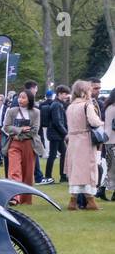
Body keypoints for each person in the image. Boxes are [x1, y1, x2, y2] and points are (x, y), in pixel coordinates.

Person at [62, 79, 102, 210]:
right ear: (84, 91)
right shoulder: (87, 105)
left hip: (73, 140)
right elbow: (94, 122)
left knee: (75, 171)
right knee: (88, 170)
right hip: (85, 139)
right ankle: (90, 201)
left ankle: (73, 201)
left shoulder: (70, 106)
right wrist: (102, 123)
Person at [3, 90, 42, 205]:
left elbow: (34, 130)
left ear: (29, 99)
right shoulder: (11, 111)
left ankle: (25, 199)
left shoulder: (36, 112)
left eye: (23, 97)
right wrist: (20, 129)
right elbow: (6, 127)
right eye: (19, 97)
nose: (20, 99)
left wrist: (17, 132)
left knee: (28, 172)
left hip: (29, 144)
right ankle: (14, 197)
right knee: (14, 170)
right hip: (14, 143)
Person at [43, 85, 70, 185]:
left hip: (57, 134)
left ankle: (62, 176)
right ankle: (48, 176)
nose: (66, 96)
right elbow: (57, 121)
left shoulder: (58, 104)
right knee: (53, 155)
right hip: (55, 134)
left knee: (63, 154)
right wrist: (65, 133)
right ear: (59, 94)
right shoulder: (57, 105)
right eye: (65, 94)